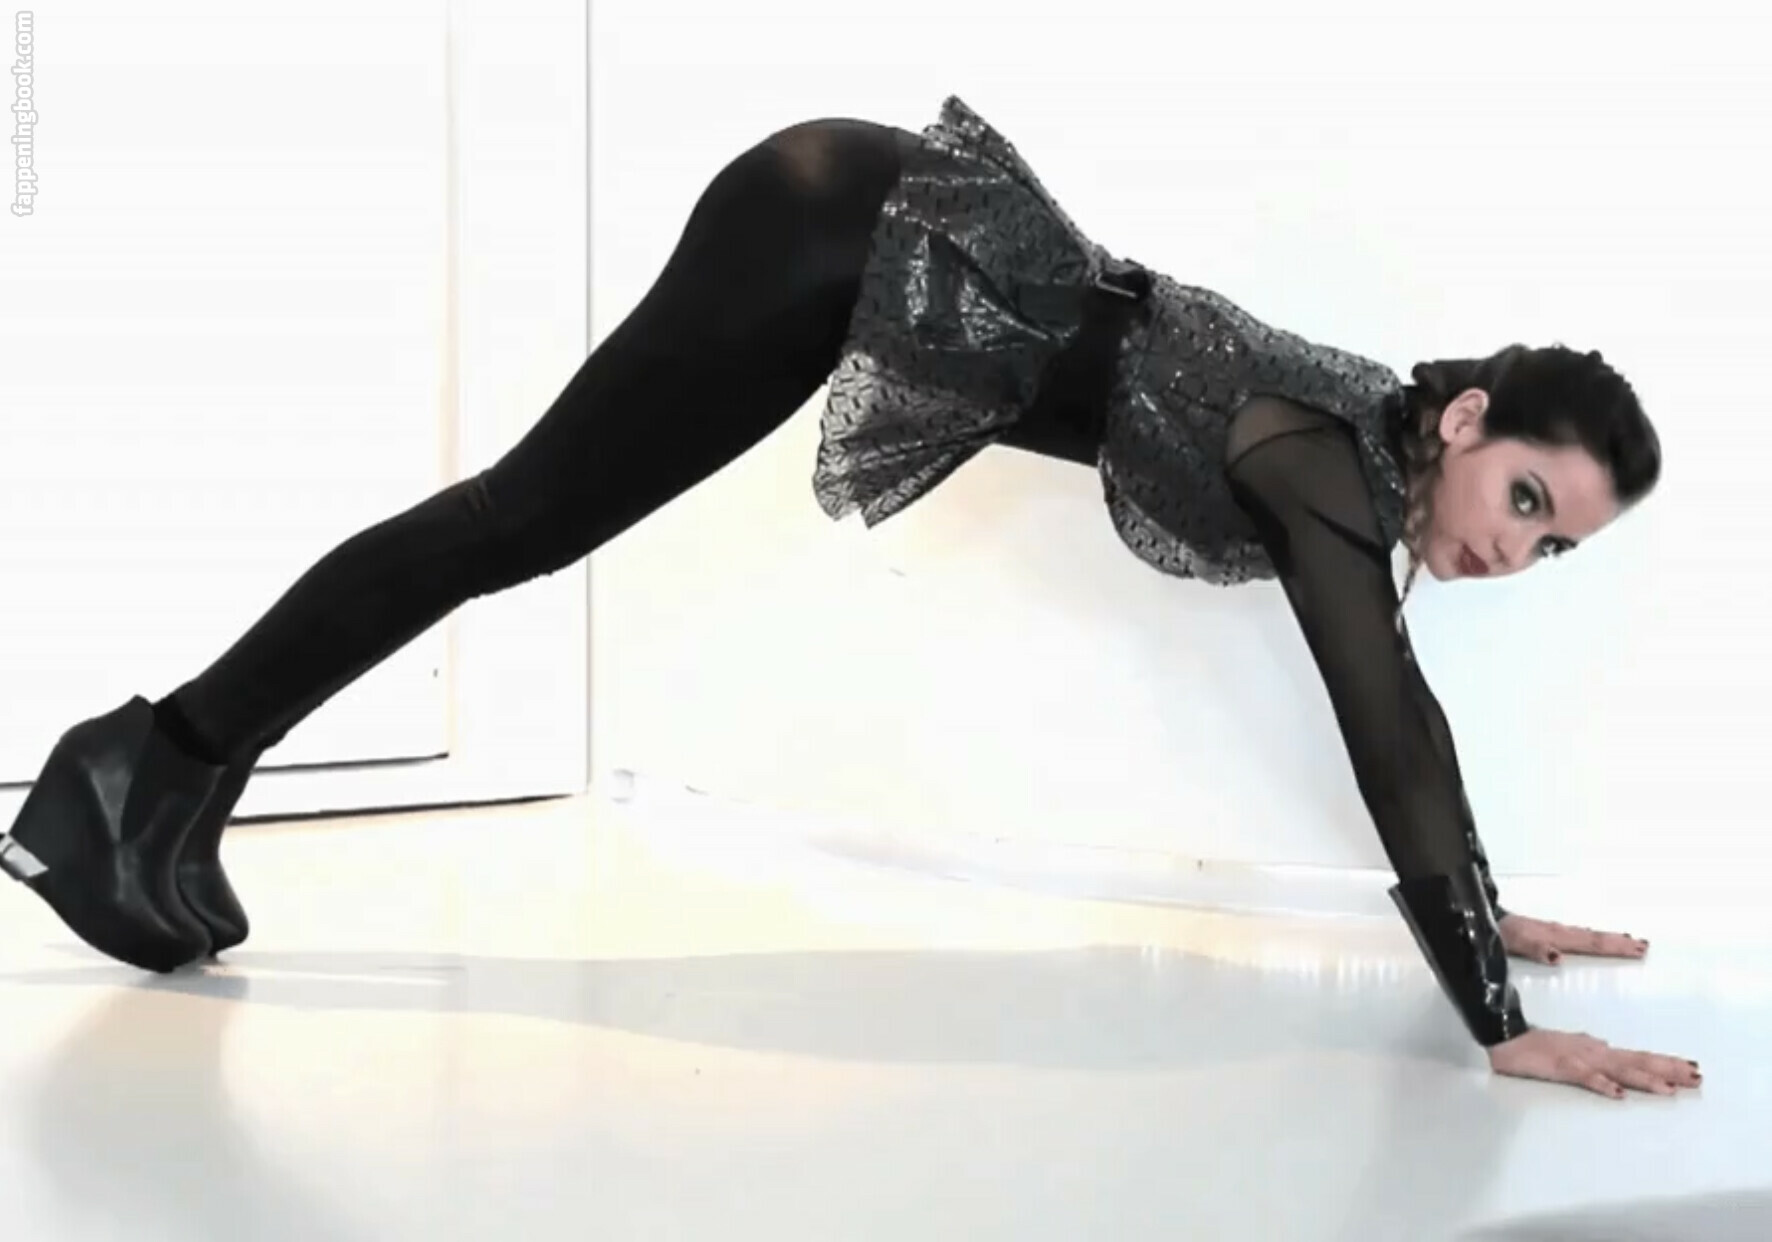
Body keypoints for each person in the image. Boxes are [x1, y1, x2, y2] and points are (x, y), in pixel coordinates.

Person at [1, 96, 1697, 1099]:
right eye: (1526, 498)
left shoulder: (1370, 449)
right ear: (1469, 422)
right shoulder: (1332, 458)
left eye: (1553, 544)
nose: (1515, 550)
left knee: (521, 523)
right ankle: (135, 767)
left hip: (858, 223)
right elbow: (1381, 713)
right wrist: (1500, 1020)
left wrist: (1484, 904)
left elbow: (1397, 688)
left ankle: (173, 779)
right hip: (839, 235)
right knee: (522, 519)